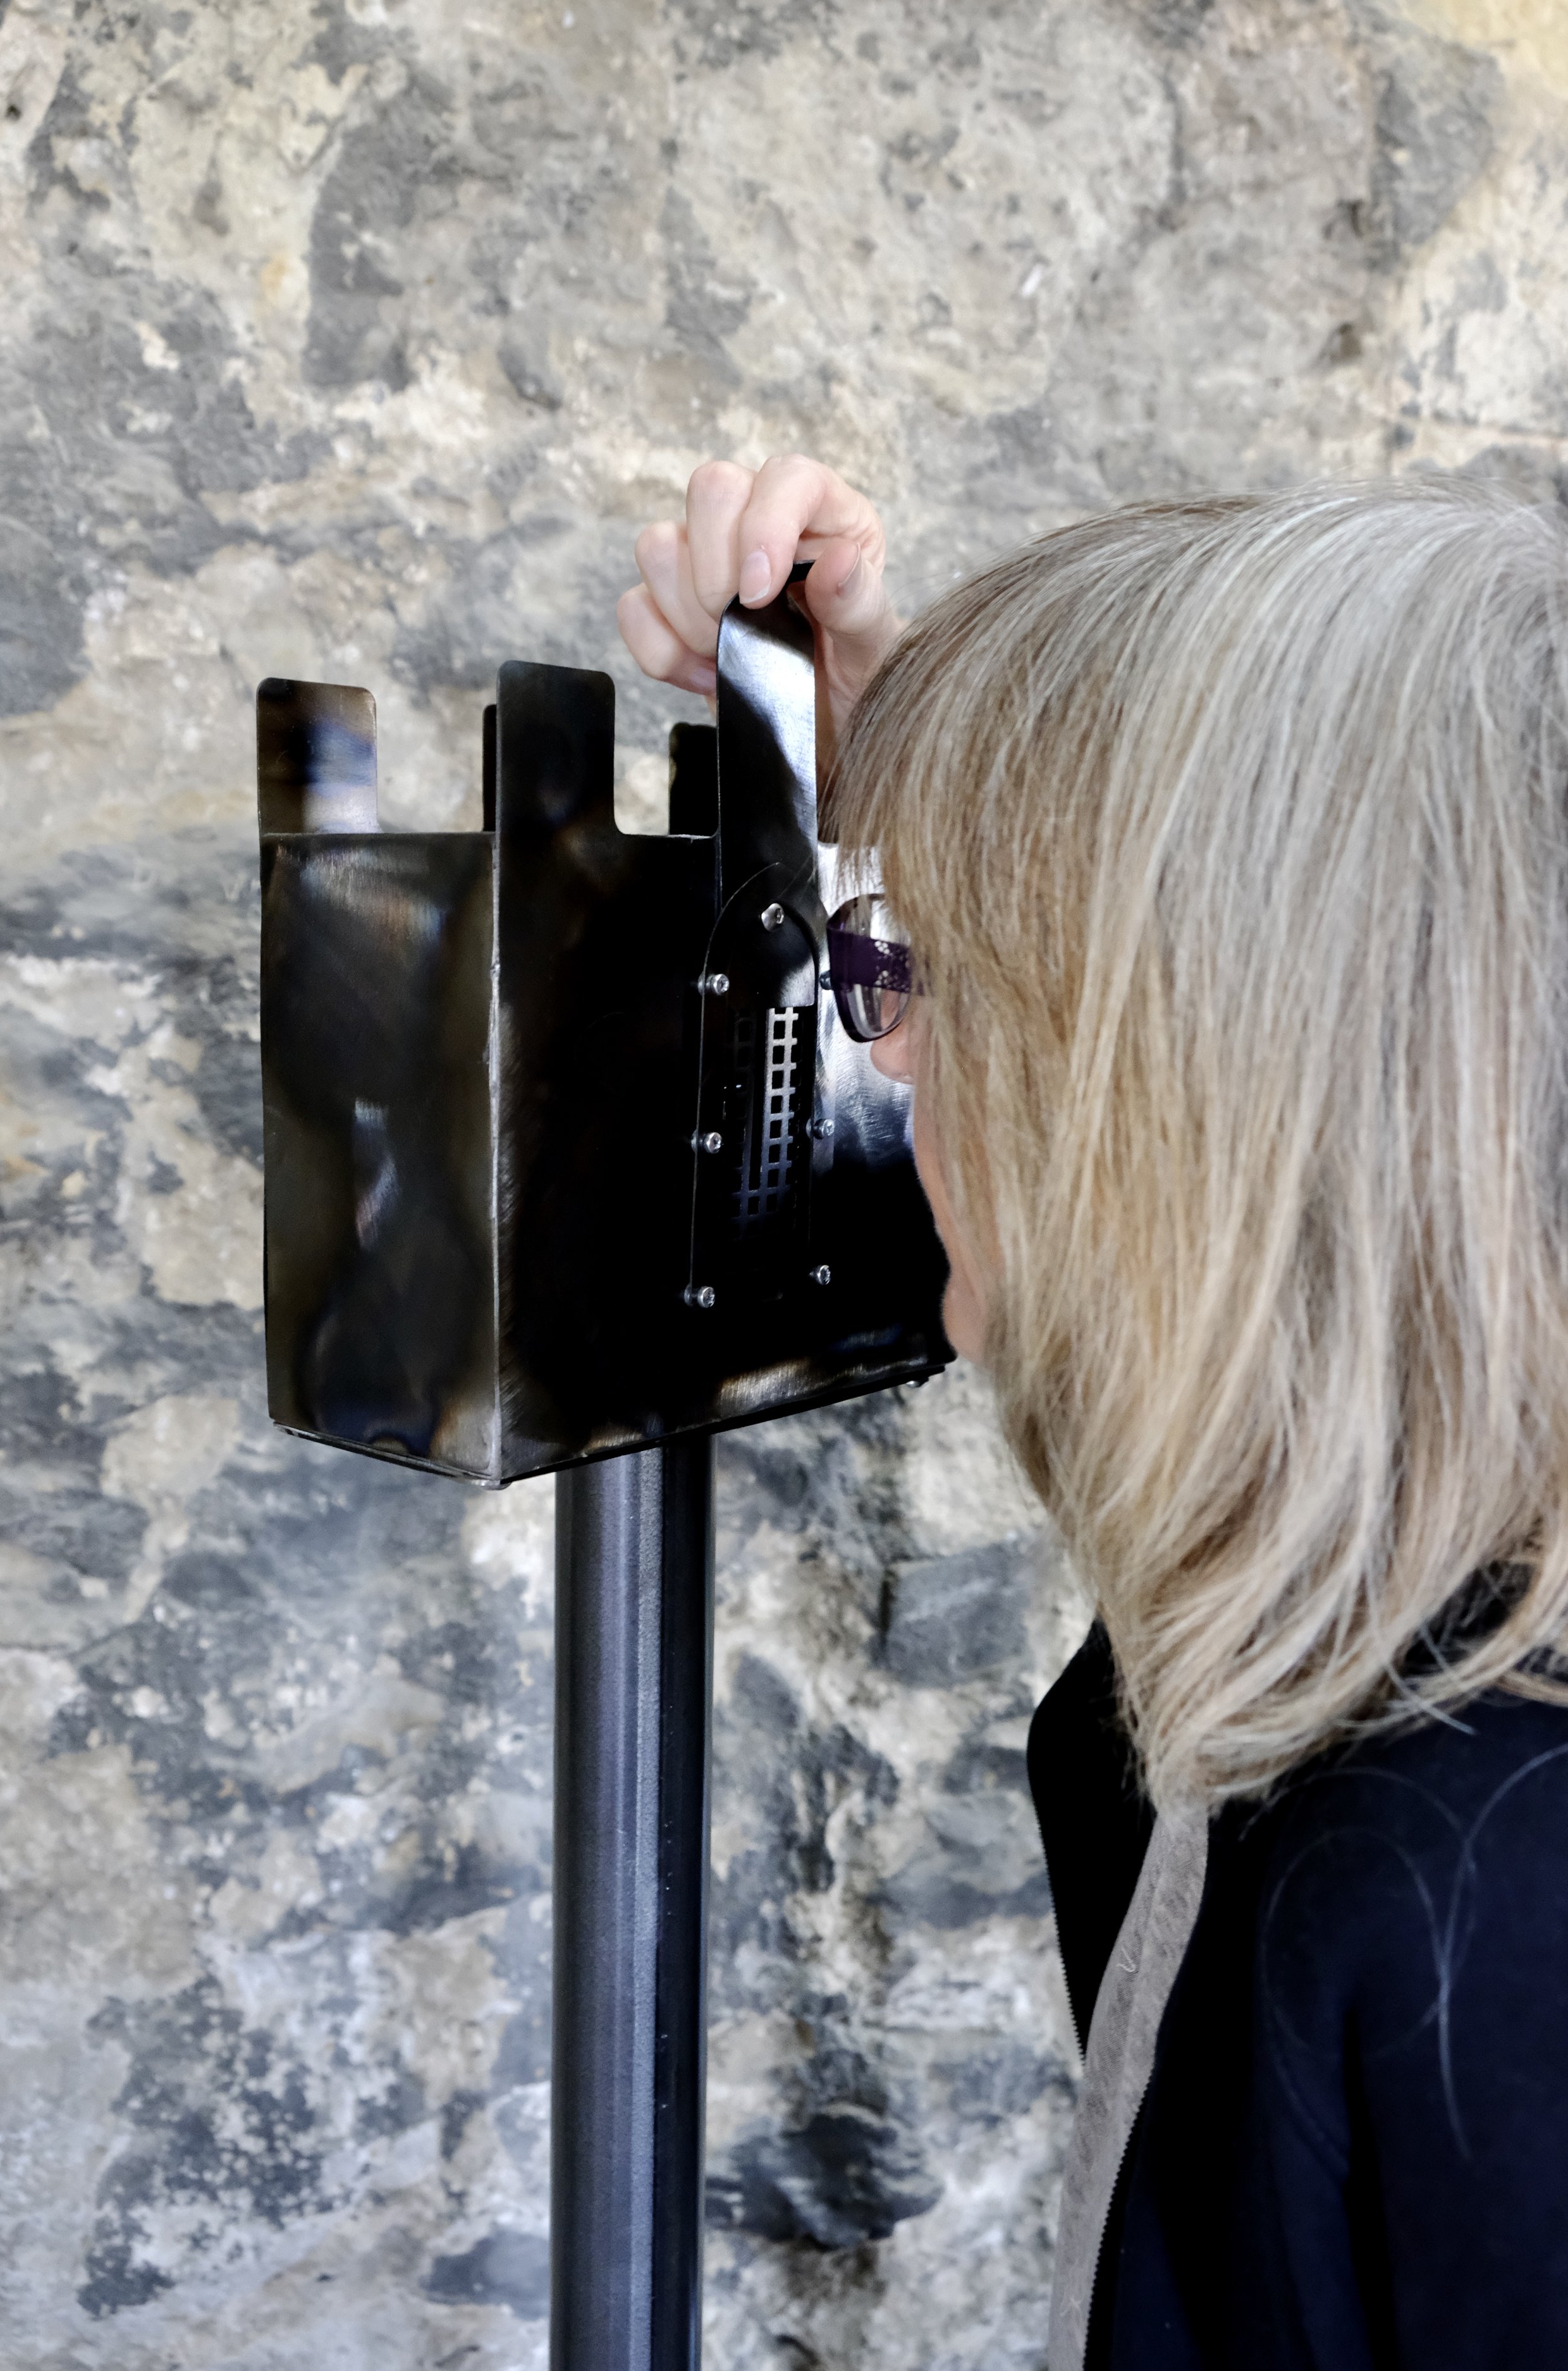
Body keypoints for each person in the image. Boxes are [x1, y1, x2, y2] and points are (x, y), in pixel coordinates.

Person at [621, 457, 1568, 2369]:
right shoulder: (1351, 1651)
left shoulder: (1464, 1903)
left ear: (1207, 1095)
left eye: (928, 975)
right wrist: (898, 788)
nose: (874, 1037)